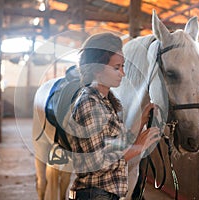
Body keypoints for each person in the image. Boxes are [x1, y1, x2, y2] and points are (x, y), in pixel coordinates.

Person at [66, 32, 160, 200]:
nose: (122, 73)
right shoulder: (89, 104)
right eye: (116, 67)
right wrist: (139, 146)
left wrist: (141, 121)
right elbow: (99, 164)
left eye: (123, 67)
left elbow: (115, 145)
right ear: (97, 69)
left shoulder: (106, 102)